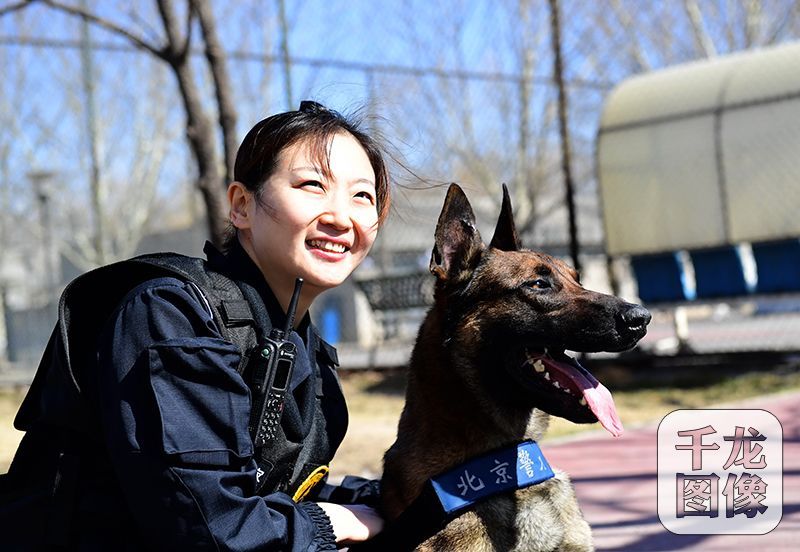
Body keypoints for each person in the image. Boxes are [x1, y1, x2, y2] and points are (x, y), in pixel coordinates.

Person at [0, 101, 390, 550]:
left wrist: (400, 495)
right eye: (312, 185)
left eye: (362, 196)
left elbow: (274, 492)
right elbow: (207, 525)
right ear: (242, 205)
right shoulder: (168, 316)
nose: (342, 217)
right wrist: (329, 522)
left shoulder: (304, 350)